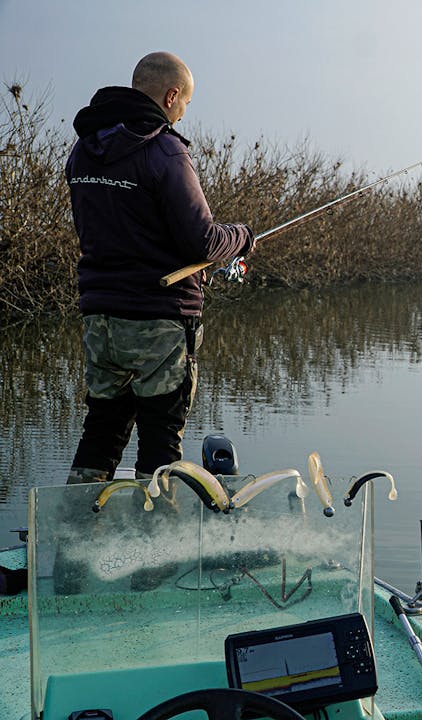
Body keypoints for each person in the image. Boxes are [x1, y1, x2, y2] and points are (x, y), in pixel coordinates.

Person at [65, 51, 254, 485]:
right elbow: (204, 240)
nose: (183, 113)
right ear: (171, 96)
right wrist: (243, 236)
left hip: (100, 318)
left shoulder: (83, 150)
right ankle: (156, 543)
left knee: (102, 430)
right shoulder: (165, 150)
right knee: (161, 438)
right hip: (160, 322)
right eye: (185, 103)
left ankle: (74, 531)